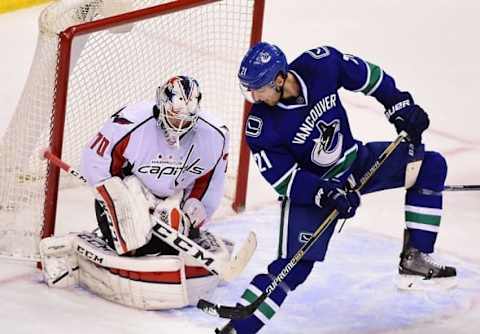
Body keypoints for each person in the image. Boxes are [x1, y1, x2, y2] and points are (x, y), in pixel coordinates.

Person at [217, 43, 457, 333]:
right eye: (249, 90)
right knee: (293, 269)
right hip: (313, 192)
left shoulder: (321, 65)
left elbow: (371, 77)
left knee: (429, 166)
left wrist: (400, 105)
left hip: (355, 163)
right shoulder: (261, 126)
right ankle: (236, 330)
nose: (254, 97)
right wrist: (324, 193)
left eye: (259, 89)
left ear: (280, 79)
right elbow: (284, 179)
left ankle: (416, 257)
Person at [40, 75, 232, 310]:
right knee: (133, 238)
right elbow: (95, 164)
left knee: (177, 228)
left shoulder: (215, 135)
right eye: (174, 116)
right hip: (126, 195)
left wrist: (196, 208)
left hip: (171, 199)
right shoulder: (130, 123)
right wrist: (128, 206)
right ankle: (130, 238)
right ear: (162, 104)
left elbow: (210, 182)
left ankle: (170, 230)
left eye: (186, 119)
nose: (179, 126)